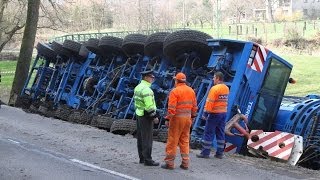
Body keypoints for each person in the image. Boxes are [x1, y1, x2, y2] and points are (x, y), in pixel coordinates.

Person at [161, 72, 198, 170]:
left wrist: (168, 119)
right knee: (185, 140)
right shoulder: (191, 91)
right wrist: (192, 118)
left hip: (177, 119)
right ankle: (185, 163)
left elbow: (172, 108)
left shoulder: (175, 91)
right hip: (187, 119)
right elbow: (194, 107)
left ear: (176, 81)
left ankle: (169, 163)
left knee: (173, 140)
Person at [196, 71, 229, 159]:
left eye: (214, 77)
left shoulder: (214, 89)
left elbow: (210, 102)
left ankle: (205, 153)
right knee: (220, 133)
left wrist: (205, 114)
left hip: (215, 114)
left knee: (209, 132)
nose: (213, 79)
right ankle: (219, 153)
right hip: (223, 113)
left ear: (218, 78)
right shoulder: (226, 88)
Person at [133, 70, 159, 166]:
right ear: (146, 78)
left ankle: (142, 158)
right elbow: (149, 106)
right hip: (146, 116)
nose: (153, 79)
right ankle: (148, 160)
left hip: (139, 114)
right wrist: (154, 117)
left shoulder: (138, 87)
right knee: (147, 138)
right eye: (151, 77)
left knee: (141, 137)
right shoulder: (147, 90)